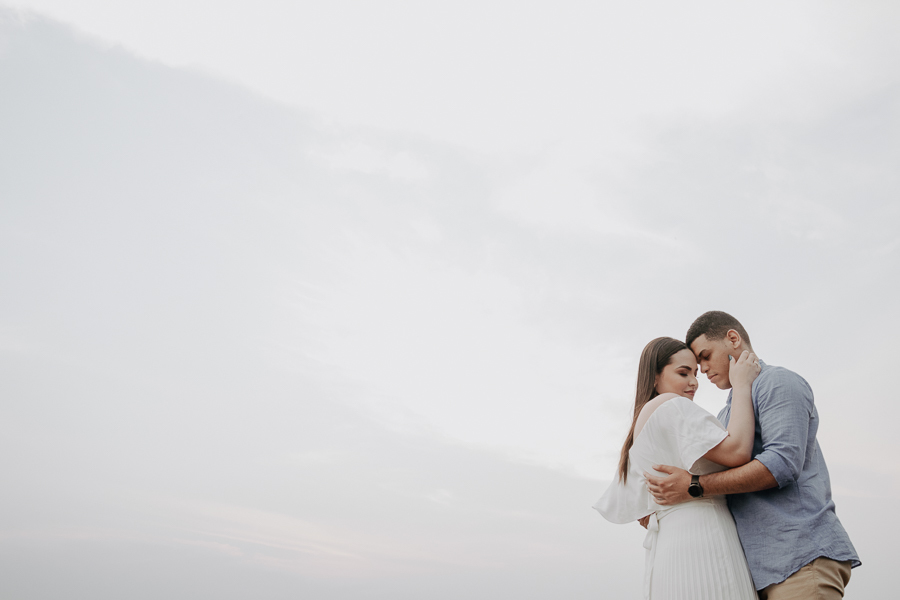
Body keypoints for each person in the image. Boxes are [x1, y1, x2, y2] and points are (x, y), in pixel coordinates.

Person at [645, 311, 860, 599]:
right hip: (757, 574)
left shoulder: (777, 382)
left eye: (706, 356)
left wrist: (694, 486)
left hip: (799, 558)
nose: (704, 369)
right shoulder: (727, 414)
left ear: (732, 338)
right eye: (696, 365)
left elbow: (782, 464)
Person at [594, 336, 761, 599]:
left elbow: (642, 512)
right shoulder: (672, 404)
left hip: (670, 544)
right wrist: (742, 386)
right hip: (704, 534)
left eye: (695, 373)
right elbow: (738, 451)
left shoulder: (642, 424)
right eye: (683, 373)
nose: (694, 382)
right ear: (654, 377)